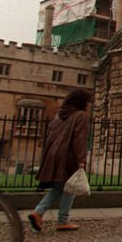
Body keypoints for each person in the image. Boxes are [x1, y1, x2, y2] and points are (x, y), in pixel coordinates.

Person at [29, 88, 93, 232]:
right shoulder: (81, 115)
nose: (88, 105)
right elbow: (79, 139)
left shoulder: (59, 115)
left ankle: (38, 212)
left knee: (59, 187)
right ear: (81, 102)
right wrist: (81, 160)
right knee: (70, 186)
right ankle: (62, 220)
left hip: (53, 154)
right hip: (68, 155)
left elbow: (50, 135)